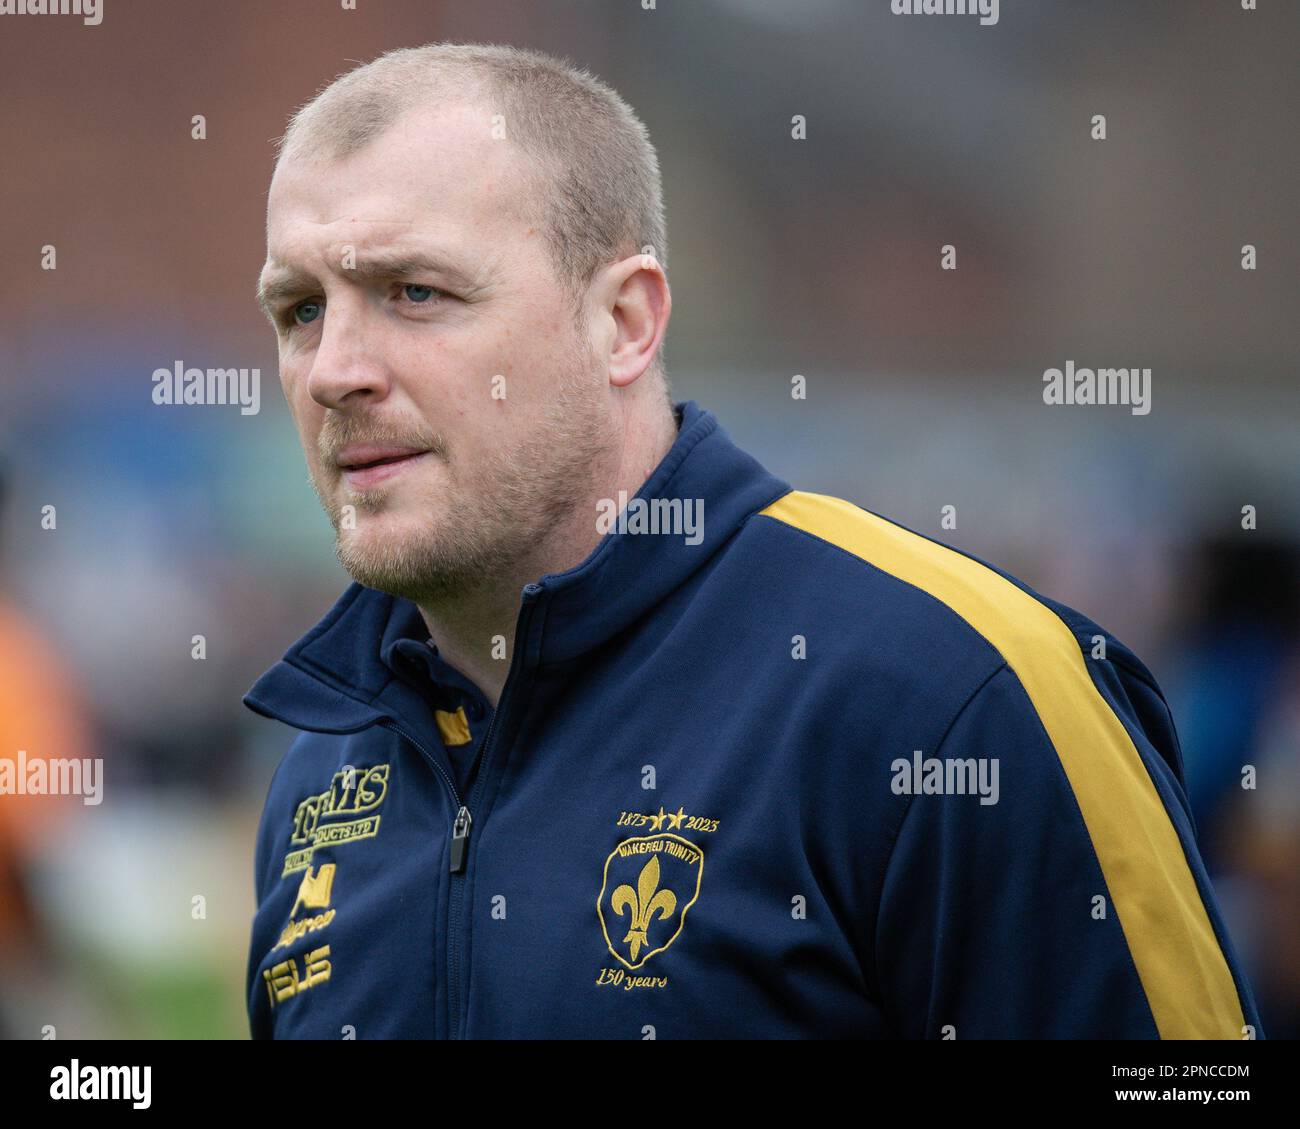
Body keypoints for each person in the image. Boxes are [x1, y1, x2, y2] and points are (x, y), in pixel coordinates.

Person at [243, 43, 1260, 1039]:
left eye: (416, 293)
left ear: (624, 323)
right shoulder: (325, 770)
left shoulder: (959, 694)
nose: (335, 370)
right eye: (299, 310)